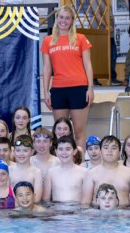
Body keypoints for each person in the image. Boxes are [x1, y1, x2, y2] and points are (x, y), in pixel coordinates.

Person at [41, 5, 94, 151]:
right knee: (60, 132)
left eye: (67, 18)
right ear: (57, 19)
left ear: (72, 21)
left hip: (79, 87)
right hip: (58, 89)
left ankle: (80, 163)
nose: (64, 21)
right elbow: (46, 68)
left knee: (79, 131)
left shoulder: (81, 39)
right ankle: (60, 163)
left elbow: (88, 64)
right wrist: (45, 91)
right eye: (61, 17)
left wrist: (90, 88)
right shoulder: (47, 41)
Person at [81, 135, 130, 207]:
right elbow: (85, 203)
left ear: (119, 152)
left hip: (123, 215)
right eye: (106, 148)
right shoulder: (91, 174)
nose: (109, 151)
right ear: (100, 151)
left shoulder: (129, 173)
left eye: (114, 148)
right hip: (97, 216)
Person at [43, 136, 88, 203]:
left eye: (68, 149)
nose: (64, 152)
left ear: (75, 151)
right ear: (56, 152)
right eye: (60, 149)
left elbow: (86, 200)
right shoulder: (51, 173)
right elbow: (46, 199)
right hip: (57, 211)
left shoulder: (84, 172)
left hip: (76, 211)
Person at [9, 135, 43, 202]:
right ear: (13, 152)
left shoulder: (36, 172)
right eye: (18, 150)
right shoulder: (9, 170)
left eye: (25, 150)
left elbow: (37, 199)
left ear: (32, 152)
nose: (21, 154)